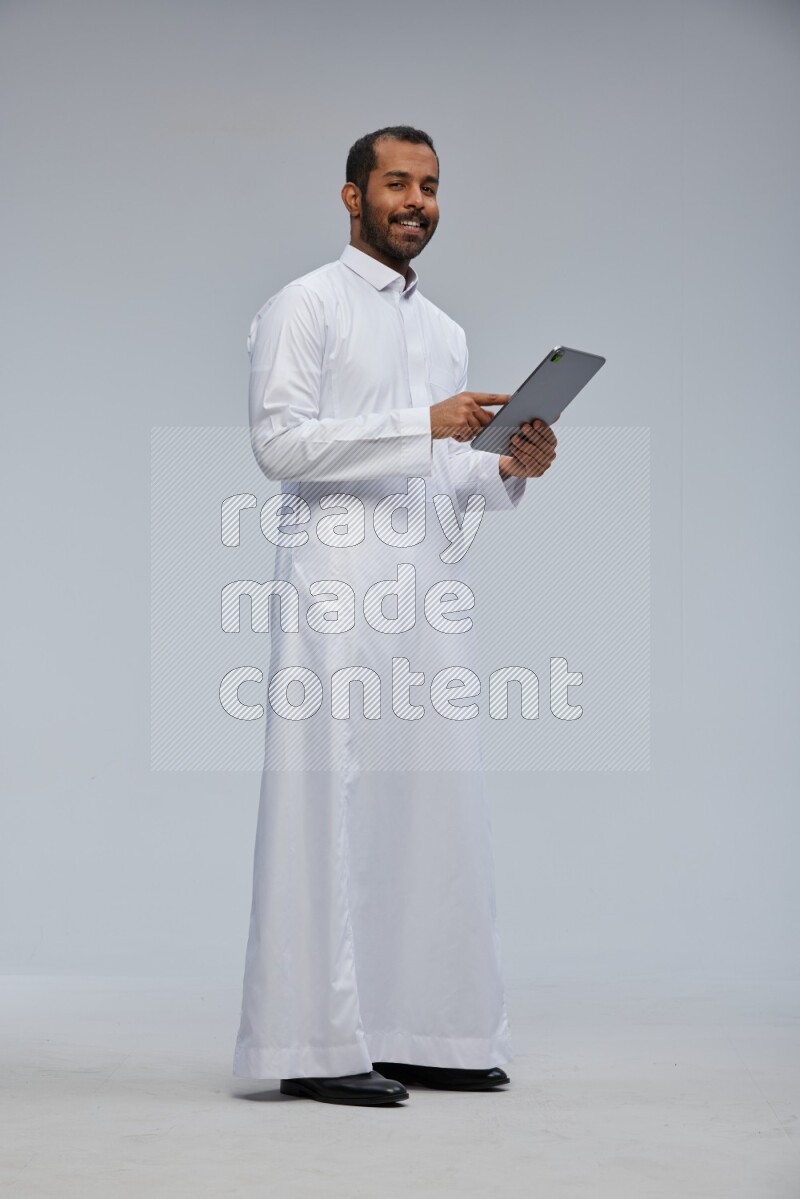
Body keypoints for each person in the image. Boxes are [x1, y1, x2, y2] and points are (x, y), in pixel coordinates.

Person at [233, 125, 557, 1106]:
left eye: (429, 186)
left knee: (431, 799)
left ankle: (427, 1027)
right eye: (396, 184)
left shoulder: (443, 331)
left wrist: (505, 462)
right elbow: (280, 446)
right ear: (351, 196)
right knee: (327, 799)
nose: (416, 201)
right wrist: (426, 423)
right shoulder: (305, 305)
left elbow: (448, 477)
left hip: (424, 588)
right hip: (335, 584)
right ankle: (314, 1042)